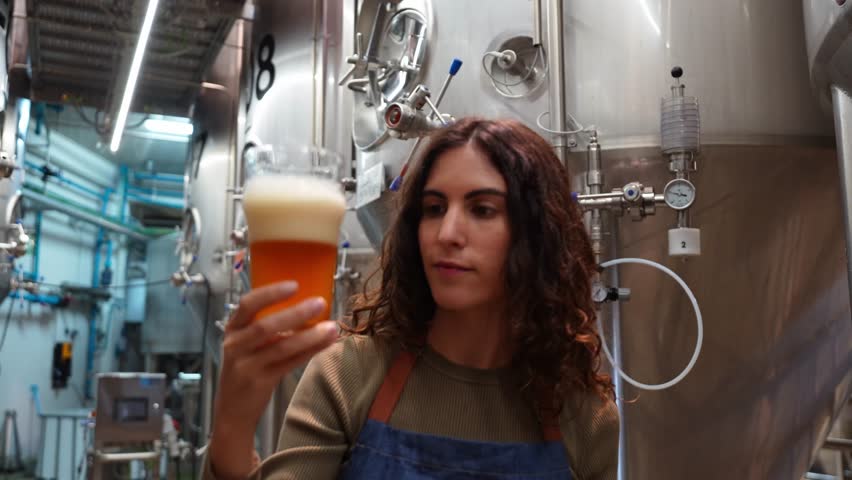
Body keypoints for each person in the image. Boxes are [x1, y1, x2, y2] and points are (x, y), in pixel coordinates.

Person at [206, 117, 619, 480]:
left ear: (536, 234)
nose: (447, 233)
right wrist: (231, 430)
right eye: (434, 208)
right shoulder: (347, 376)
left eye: (482, 209)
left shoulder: (584, 417)